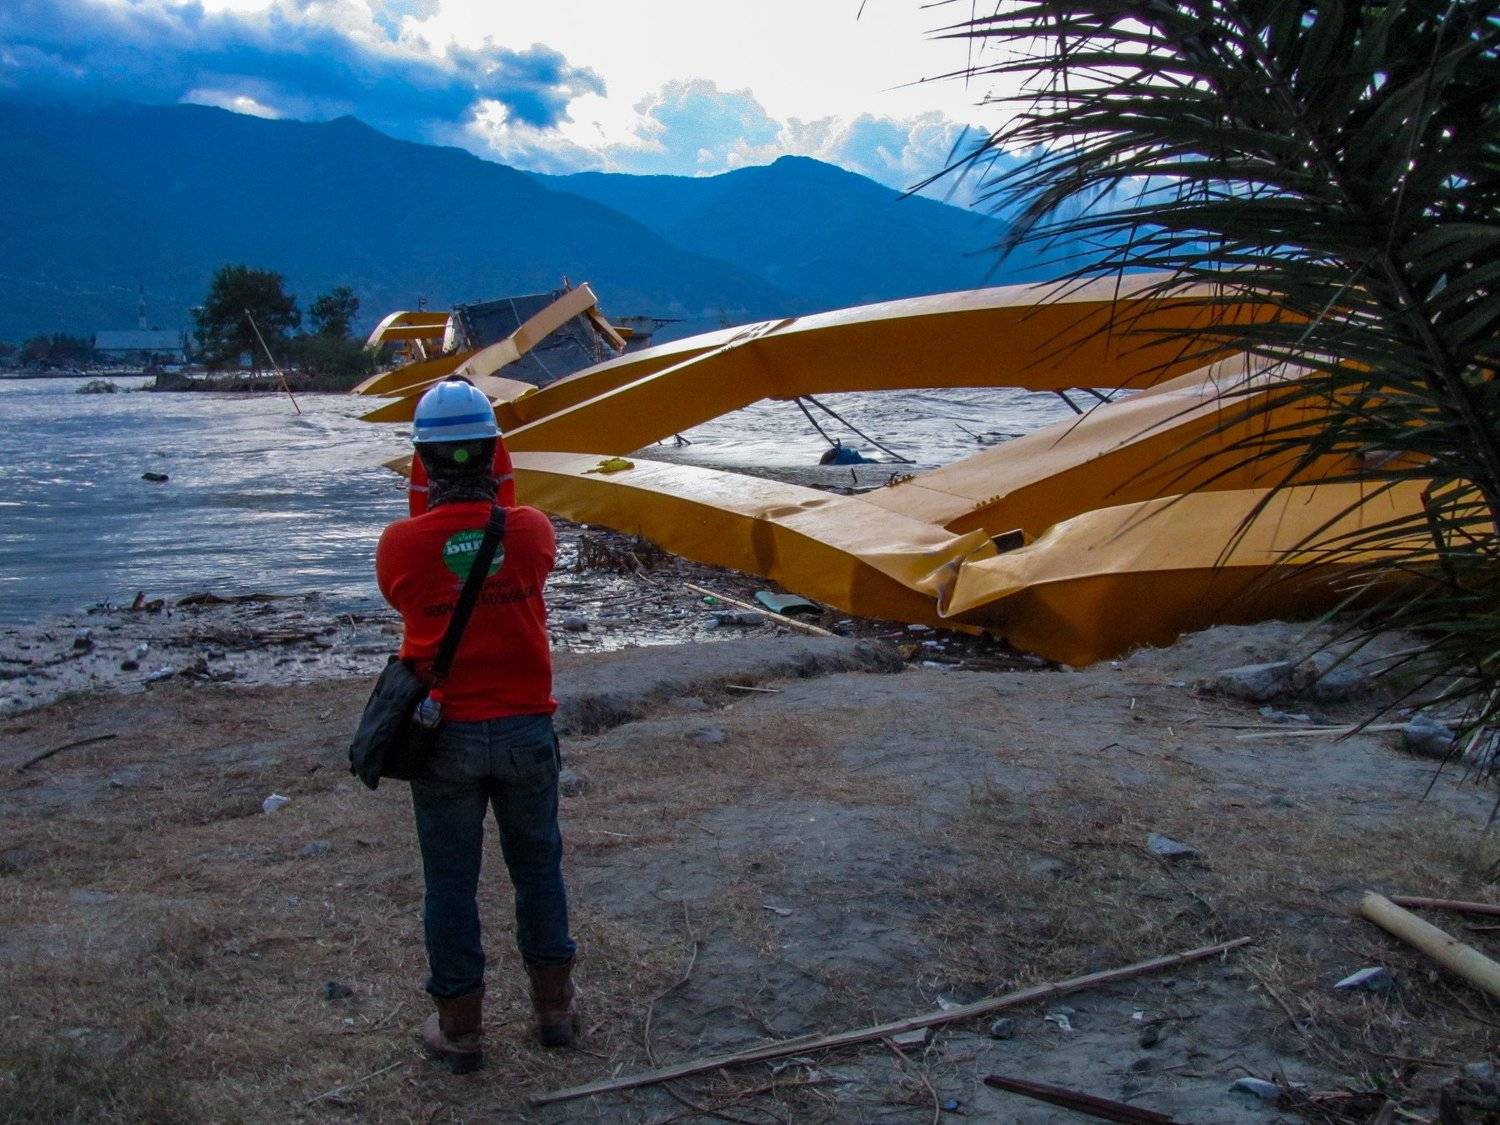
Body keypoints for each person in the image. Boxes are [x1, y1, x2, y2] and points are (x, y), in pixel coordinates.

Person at [375, 377, 579, 1074]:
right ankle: (555, 1011)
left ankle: (461, 1031)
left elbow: (407, 600)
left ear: (423, 460)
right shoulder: (534, 532)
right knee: (538, 870)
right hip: (525, 729)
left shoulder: (399, 545)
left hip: (444, 735)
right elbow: (523, 559)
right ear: (495, 453)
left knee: (451, 883)